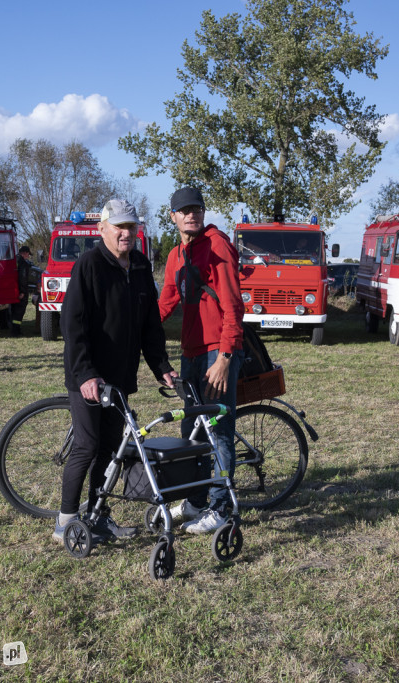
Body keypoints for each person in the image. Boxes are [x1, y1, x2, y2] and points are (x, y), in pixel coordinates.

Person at [56, 199, 176, 543]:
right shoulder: (89, 264)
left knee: (110, 450)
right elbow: (72, 324)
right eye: (119, 227)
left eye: (131, 227)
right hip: (90, 377)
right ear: (103, 229)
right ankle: (64, 522)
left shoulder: (139, 265)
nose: (126, 233)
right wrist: (86, 374)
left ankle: (98, 516)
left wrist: (161, 366)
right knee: (87, 446)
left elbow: (149, 324)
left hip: (121, 378)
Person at [159, 187, 245, 535]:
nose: (192, 214)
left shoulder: (217, 245)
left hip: (217, 350)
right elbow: (164, 303)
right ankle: (196, 500)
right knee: (190, 431)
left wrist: (225, 357)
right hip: (191, 351)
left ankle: (221, 508)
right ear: (173, 217)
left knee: (218, 431)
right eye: (184, 210)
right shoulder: (175, 256)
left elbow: (233, 306)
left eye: (197, 208)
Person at [10, 245, 33, 337]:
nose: (28, 256)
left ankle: (14, 328)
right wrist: (22, 291)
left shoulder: (12, 259)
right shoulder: (23, 263)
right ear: (25, 253)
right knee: (19, 311)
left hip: (12, 289)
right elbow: (23, 278)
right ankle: (16, 330)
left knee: (13, 310)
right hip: (20, 291)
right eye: (28, 254)